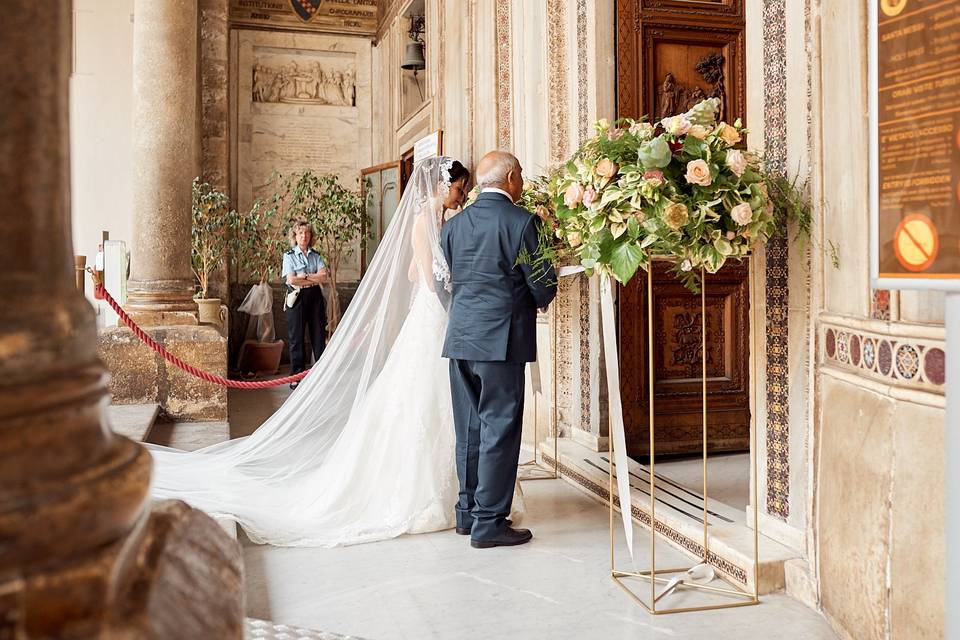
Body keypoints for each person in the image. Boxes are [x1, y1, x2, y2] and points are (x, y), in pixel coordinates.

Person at [147, 157, 530, 548]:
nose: (462, 195)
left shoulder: (452, 223)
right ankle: (457, 502)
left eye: (464, 189)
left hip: (454, 325)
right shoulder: (425, 221)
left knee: (453, 414)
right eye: (458, 188)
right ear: (440, 186)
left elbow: (417, 272)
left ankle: (468, 505)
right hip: (444, 319)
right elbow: (430, 280)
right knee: (441, 409)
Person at [441, 151, 557, 548]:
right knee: (500, 430)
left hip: (460, 338)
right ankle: (489, 522)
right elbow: (543, 285)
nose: (522, 182)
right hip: (501, 340)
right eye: (521, 175)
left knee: (469, 429)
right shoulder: (523, 223)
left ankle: (468, 513)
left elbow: (462, 276)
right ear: (509, 178)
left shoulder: (453, 227)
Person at [282, 220, 329, 390]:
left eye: (307, 233)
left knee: (318, 335)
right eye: (300, 233)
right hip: (297, 296)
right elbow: (291, 279)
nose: (304, 236)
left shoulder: (316, 255)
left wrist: (305, 276)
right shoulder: (289, 255)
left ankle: (321, 374)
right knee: (297, 337)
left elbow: (324, 276)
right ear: (295, 236)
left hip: (315, 296)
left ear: (311, 236)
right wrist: (312, 276)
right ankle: (296, 376)